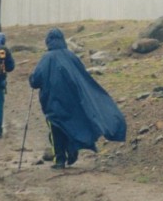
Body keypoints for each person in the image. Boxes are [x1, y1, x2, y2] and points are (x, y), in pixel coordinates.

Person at [29, 27, 127, 169]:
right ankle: (72, 151)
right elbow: (82, 77)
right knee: (69, 126)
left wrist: (31, 79)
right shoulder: (71, 56)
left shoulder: (46, 58)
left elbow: (35, 81)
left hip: (53, 103)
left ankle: (60, 160)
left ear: (48, 41)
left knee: (56, 130)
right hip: (72, 102)